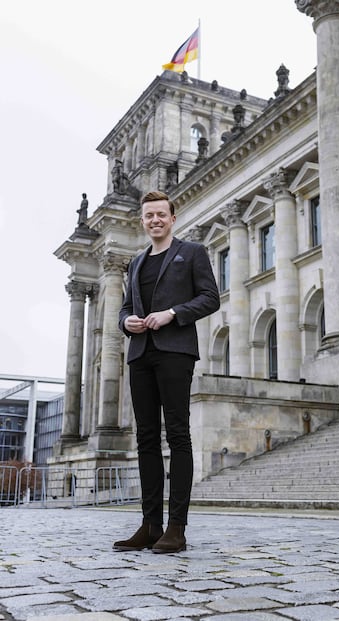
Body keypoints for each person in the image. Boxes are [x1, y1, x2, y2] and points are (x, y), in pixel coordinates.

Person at [113, 190, 220, 554]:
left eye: (161, 214)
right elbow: (124, 309)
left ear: (172, 218)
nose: (155, 220)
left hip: (175, 352)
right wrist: (127, 322)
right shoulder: (136, 262)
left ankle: (176, 528)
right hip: (141, 354)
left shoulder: (191, 253)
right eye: (149, 216)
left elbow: (210, 297)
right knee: (145, 439)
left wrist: (172, 314)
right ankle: (150, 524)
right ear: (142, 222)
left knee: (177, 435)